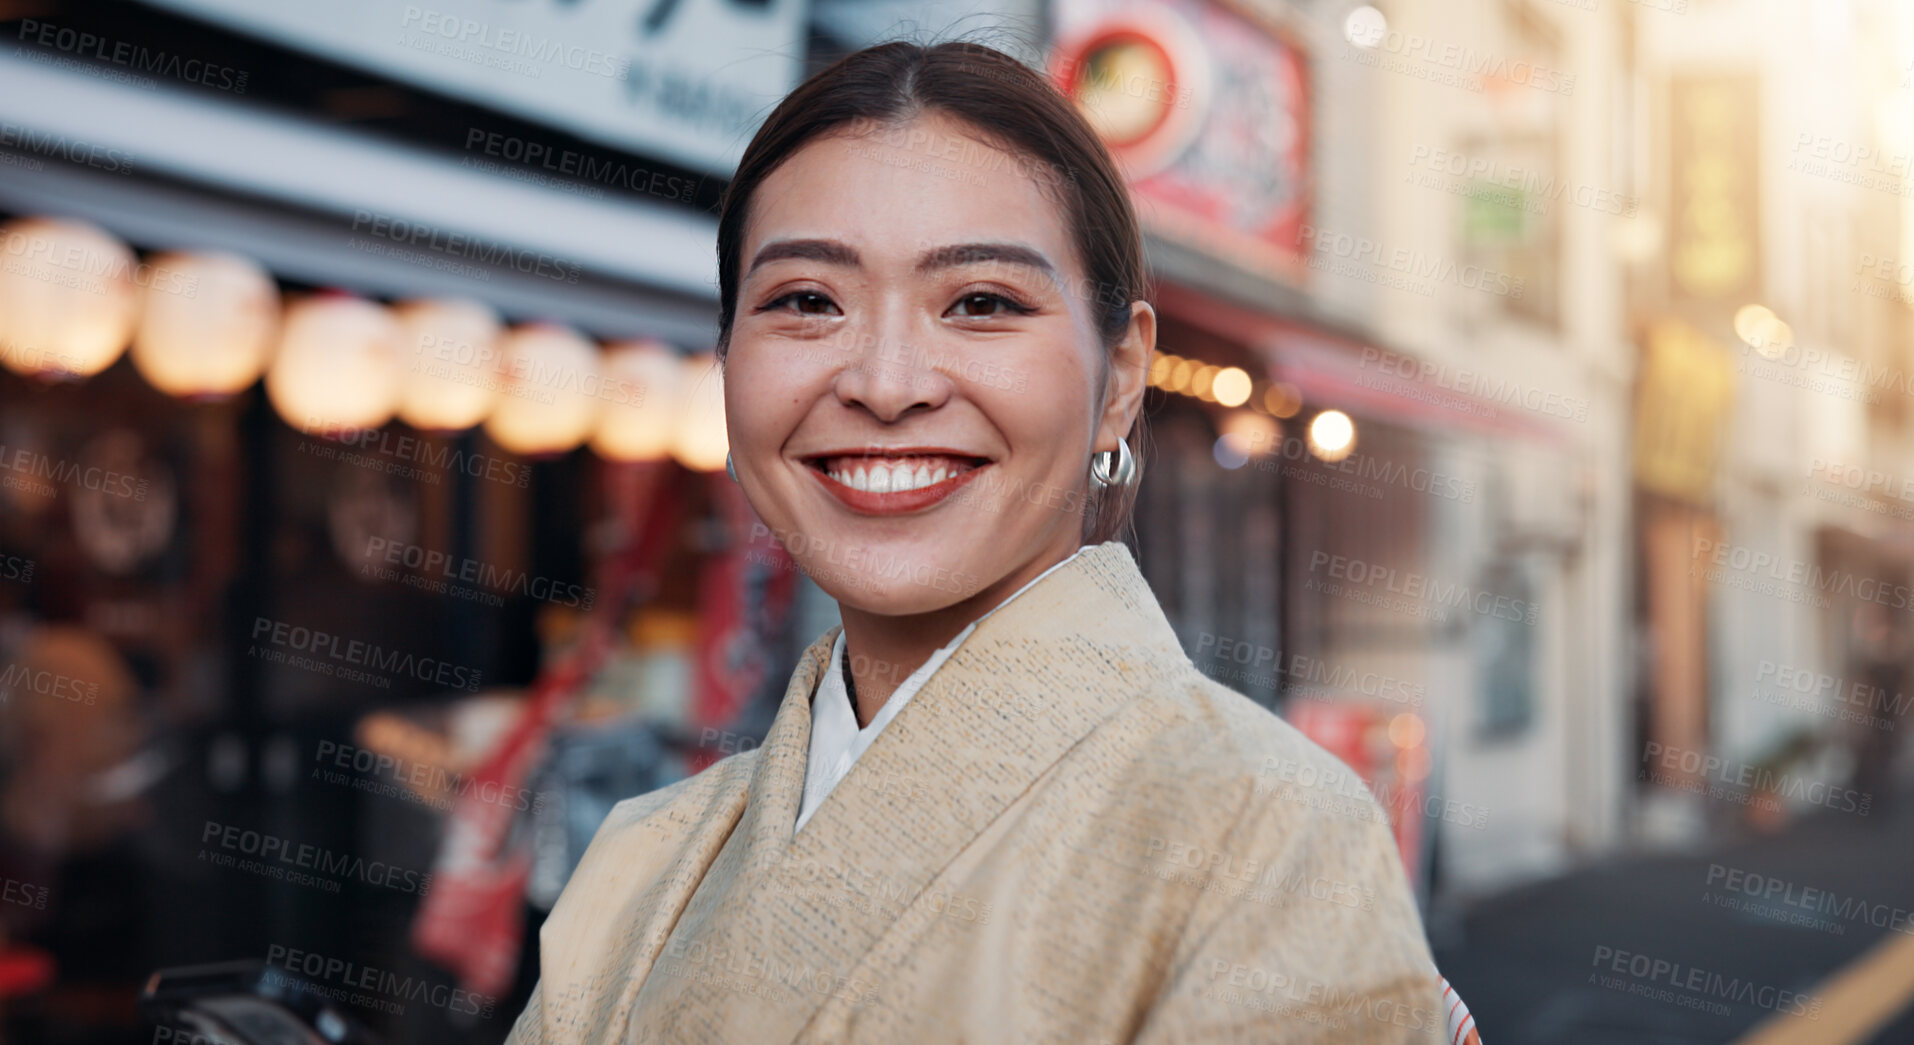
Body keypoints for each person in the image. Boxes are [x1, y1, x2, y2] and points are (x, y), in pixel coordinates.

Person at [505, 39, 1453, 1043]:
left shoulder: (1265, 831)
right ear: (730, 356)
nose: (884, 381)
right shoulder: (643, 860)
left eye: (982, 304)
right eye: (806, 302)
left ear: (1120, 376)